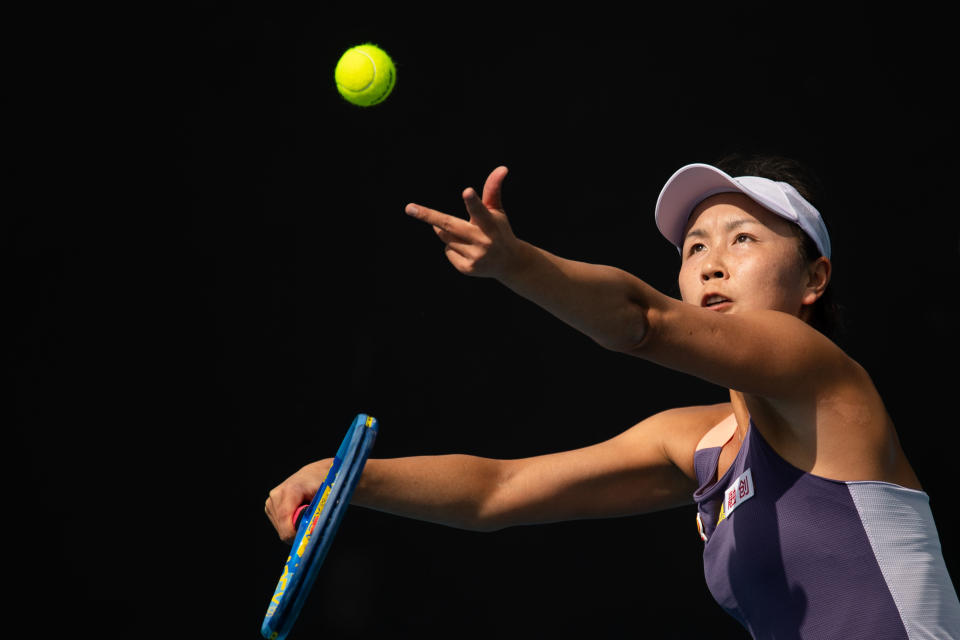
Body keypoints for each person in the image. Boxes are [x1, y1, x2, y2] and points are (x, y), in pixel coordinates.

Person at [265, 155, 960, 638]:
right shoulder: (701, 446)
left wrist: (517, 264)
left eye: (743, 238)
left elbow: (642, 322)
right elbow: (496, 493)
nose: (712, 262)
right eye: (694, 248)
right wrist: (343, 478)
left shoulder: (823, 377)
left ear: (815, 278)